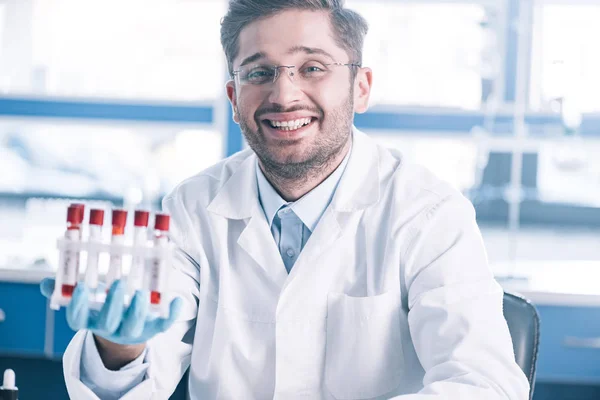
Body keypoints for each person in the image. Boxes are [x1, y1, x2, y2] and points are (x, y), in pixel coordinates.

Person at [40, 0, 530, 398]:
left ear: (360, 88)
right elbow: (136, 377)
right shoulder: (193, 208)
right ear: (234, 99)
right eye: (259, 73)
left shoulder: (428, 214)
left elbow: (484, 385)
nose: (284, 94)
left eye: (312, 67)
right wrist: (120, 347)